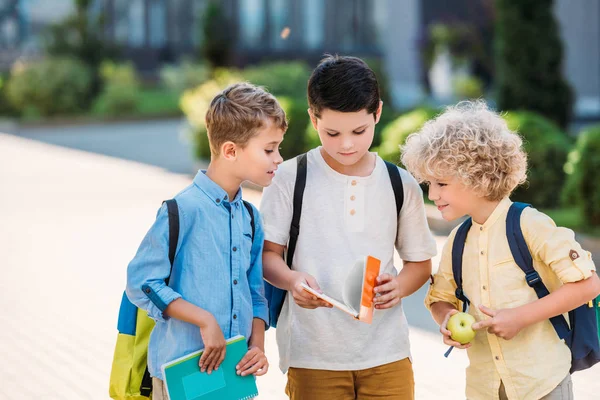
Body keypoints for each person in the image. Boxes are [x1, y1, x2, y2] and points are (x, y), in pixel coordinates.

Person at [260, 55, 437, 399]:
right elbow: (269, 256)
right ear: (313, 118)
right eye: (332, 132)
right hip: (313, 355)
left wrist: (398, 286)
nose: (346, 144)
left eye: (359, 131)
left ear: (378, 114)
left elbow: (420, 264)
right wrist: (292, 280)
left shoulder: (399, 183)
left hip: (388, 353)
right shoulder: (289, 178)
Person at [401, 100, 600, 400]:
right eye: (429, 183)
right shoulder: (457, 241)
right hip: (485, 389)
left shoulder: (530, 225)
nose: (432, 195)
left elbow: (587, 284)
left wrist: (520, 316)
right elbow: (439, 299)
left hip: (541, 382)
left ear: (477, 176)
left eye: (441, 183)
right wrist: (447, 321)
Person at [126, 82, 286, 400]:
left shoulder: (251, 218)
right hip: (182, 375)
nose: (278, 158)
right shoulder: (181, 210)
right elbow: (141, 282)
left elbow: (256, 296)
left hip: (233, 378)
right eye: (269, 149)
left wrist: (258, 346)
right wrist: (204, 319)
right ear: (230, 150)